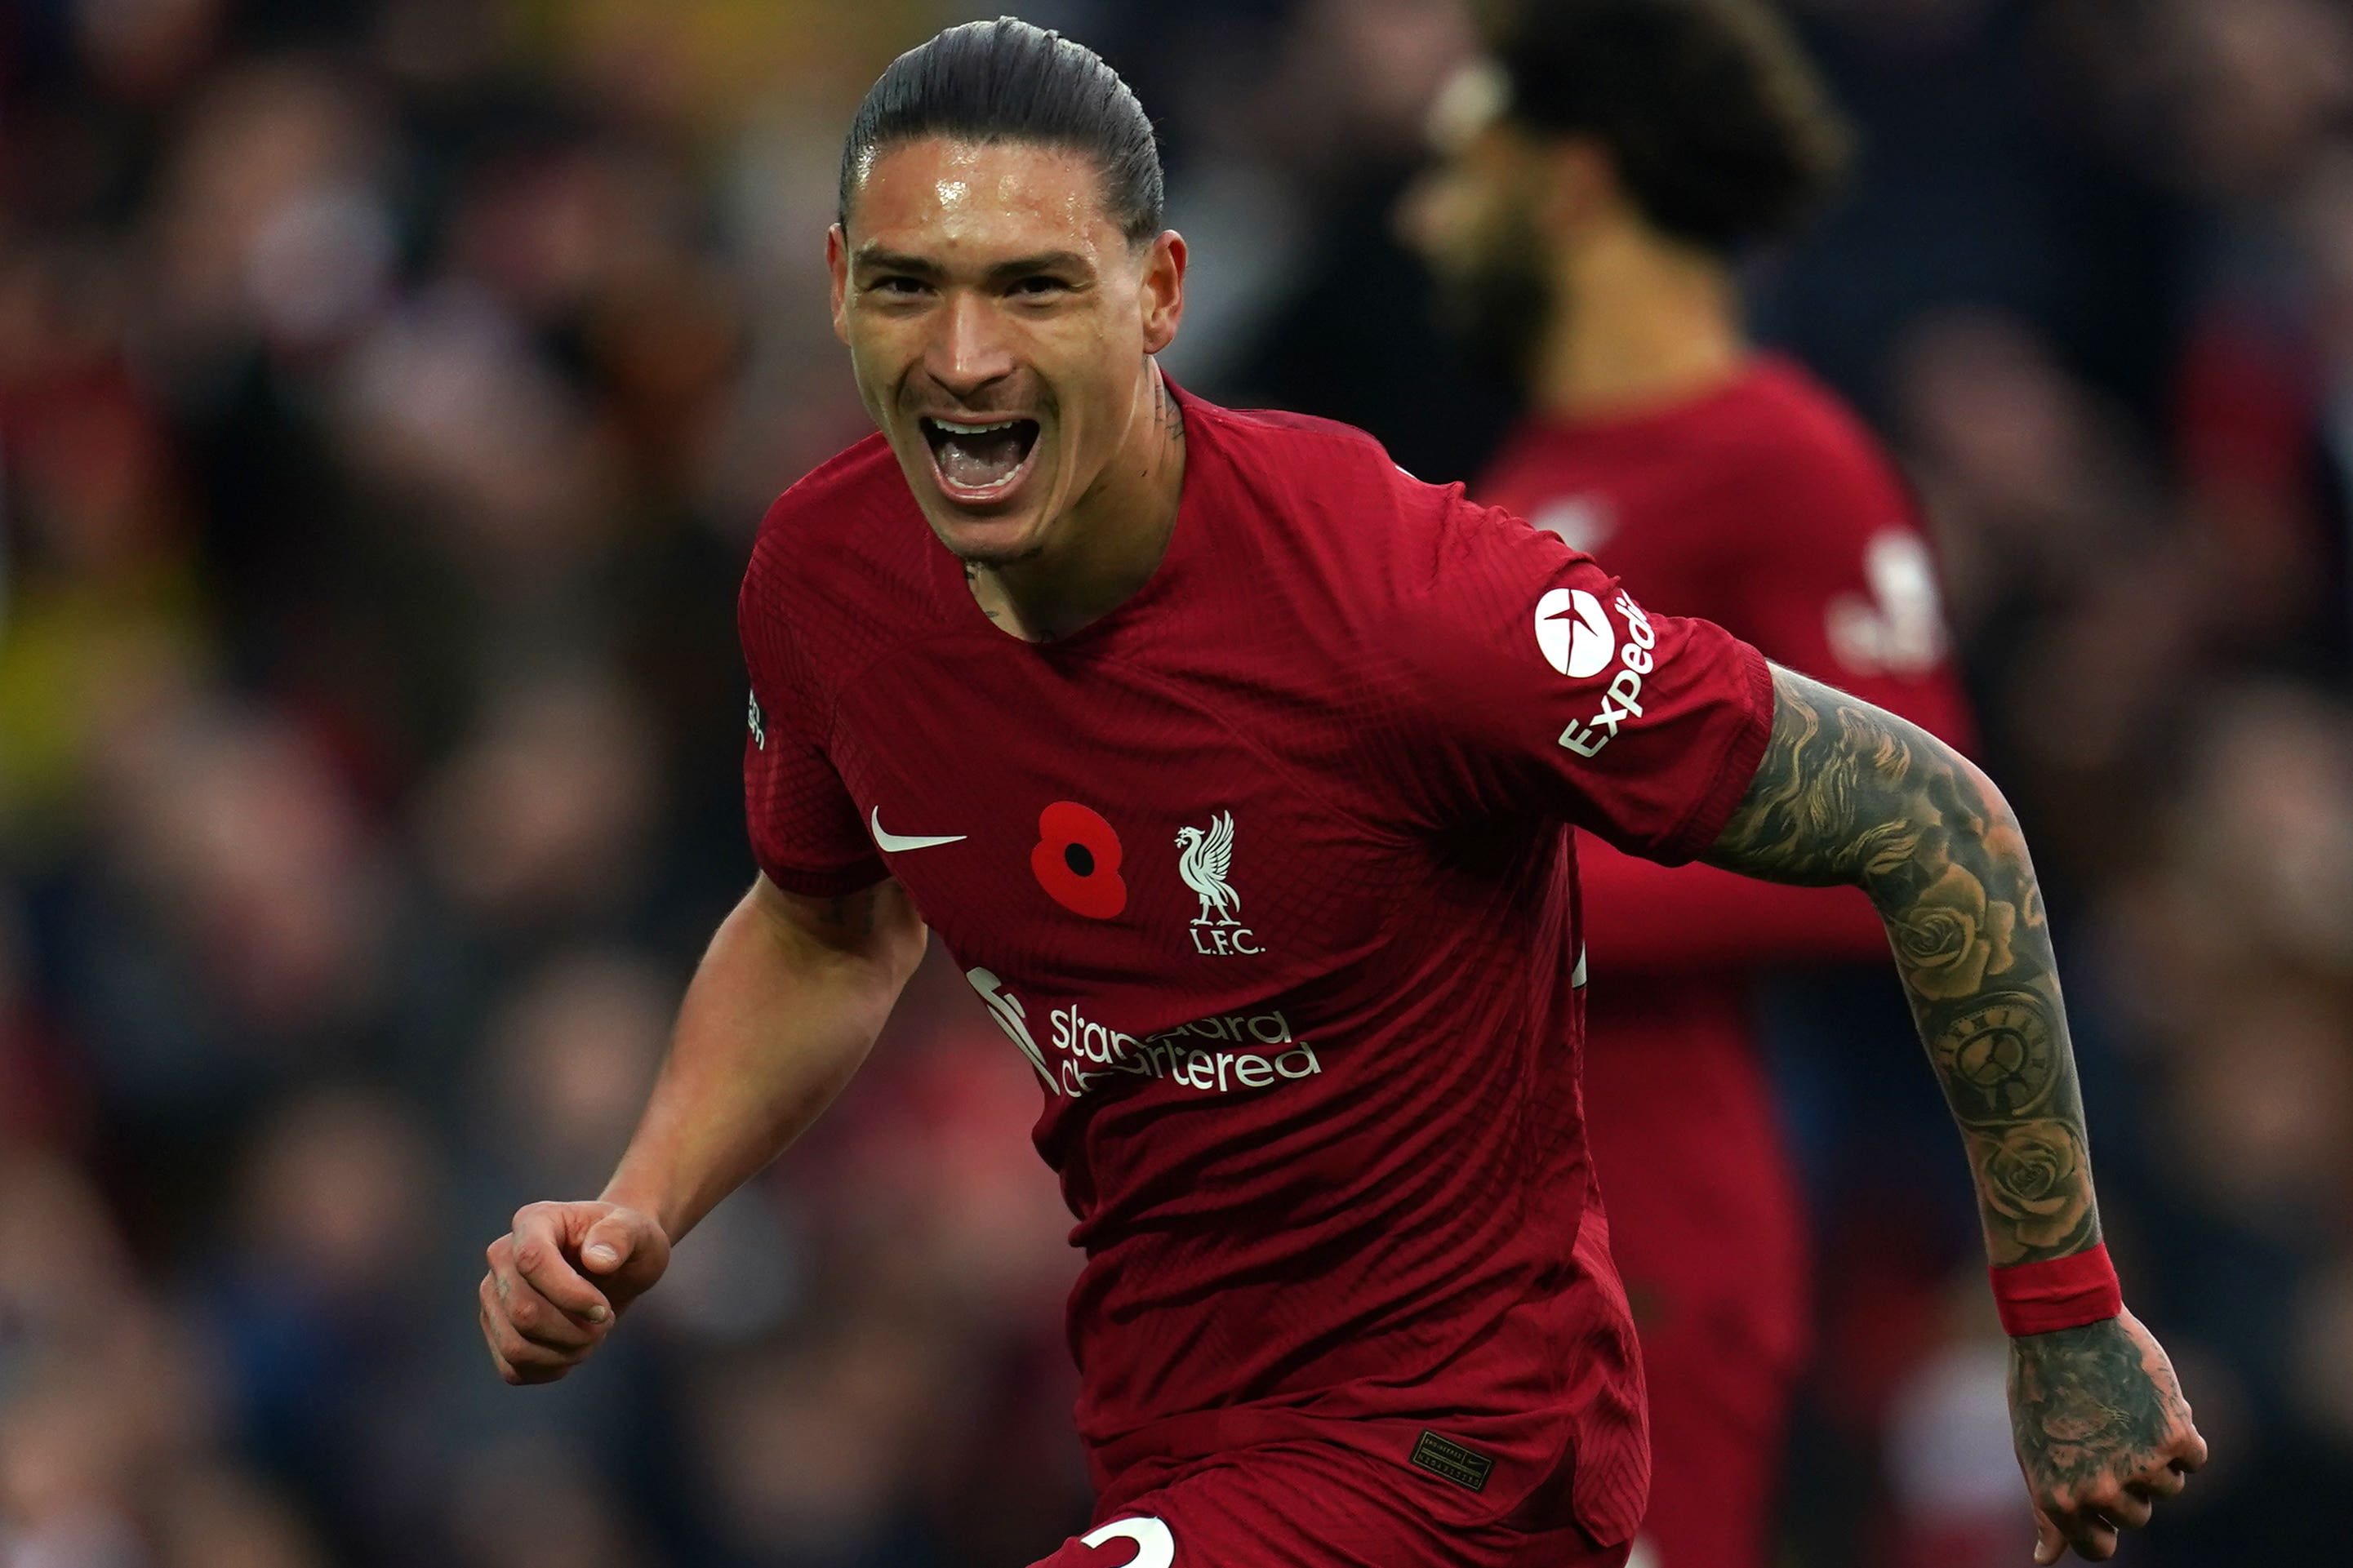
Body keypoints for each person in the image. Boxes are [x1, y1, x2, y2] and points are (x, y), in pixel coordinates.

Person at [474, 19, 2204, 1568]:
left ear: (1158, 295)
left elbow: (1929, 817)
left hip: (1470, 1447)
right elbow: (825, 921)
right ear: (838, 280)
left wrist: (2061, 1316)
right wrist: (642, 1202)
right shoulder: (823, 578)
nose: (966, 357)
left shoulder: (1399, 600)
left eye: (1034, 287)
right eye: (911, 287)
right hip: (1172, 1435)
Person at [1399, 5, 1972, 1565]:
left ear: (1572, 184)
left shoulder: (1789, 459)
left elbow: (1911, 850)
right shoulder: (1528, 475)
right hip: (1471, 1215)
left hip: (1657, 1214)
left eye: (1459, 166)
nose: (1421, 213)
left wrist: (1504, 894)